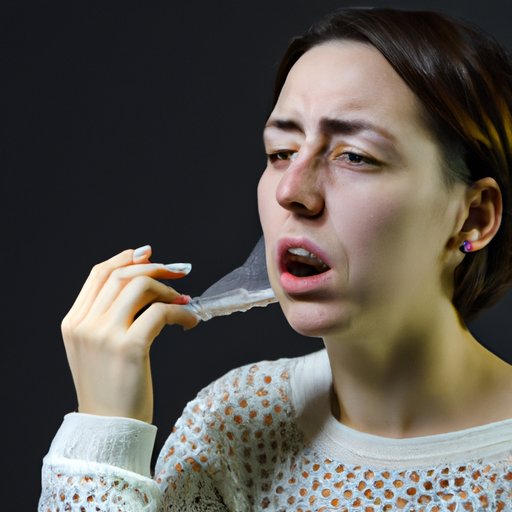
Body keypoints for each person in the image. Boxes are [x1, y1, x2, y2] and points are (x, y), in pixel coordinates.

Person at [38, 7, 512, 511]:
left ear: (473, 217)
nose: (291, 191)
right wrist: (105, 432)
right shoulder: (234, 423)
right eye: (281, 152)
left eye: (355, 155)